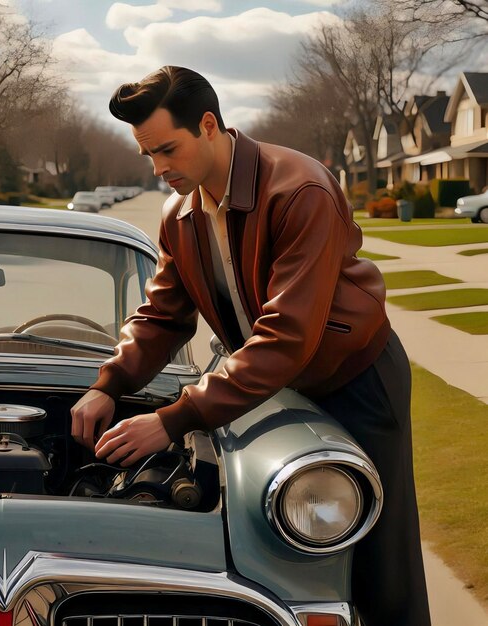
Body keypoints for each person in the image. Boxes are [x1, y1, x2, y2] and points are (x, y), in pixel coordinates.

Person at [70, 66, 431, 626]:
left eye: (168, 149)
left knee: (380, 558)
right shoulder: (179, 214)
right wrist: (107, 386)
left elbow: (288, 335)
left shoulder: (300, 189)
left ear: (209, 125)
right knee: (280, 541)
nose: (160, 168)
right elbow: (162, 317)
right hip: (265, 381)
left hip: (355, 380)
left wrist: (173, 419)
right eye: (148, 156)